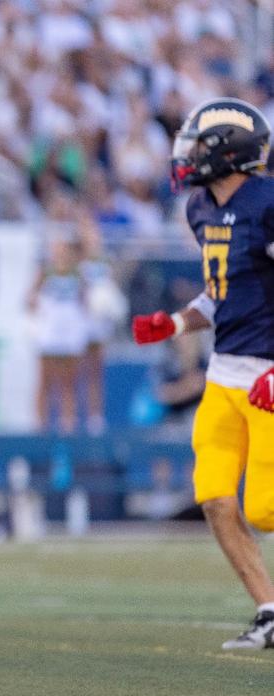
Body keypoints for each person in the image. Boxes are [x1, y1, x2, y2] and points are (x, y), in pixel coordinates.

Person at [132, 97, 274, 650]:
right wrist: (173, 323)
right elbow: (224, 292)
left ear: (229, 153)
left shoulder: (266, 203)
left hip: (268, 374)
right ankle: (268, 610)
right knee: (215, 496)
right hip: (226, 374)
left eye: (200, 145)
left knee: (264, 507)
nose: (188, 155)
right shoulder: (202, 209)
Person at [29, 237, 88, 434]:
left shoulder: (78, 274)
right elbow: (29, 298)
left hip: (70, 330)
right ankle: (40, 425)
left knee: (69, 382)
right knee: (45, 380)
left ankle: (68, 425)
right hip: (51, 330)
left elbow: (85, 300)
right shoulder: (45, 273)